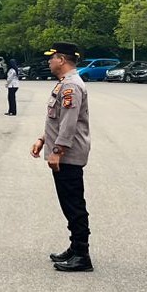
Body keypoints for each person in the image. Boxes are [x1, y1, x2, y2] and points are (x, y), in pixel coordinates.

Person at [32, 42, 93, 272]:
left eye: (51, 58)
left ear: (62, 60)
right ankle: (75, 247)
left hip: (69, 154)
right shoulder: (65, 84)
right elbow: (57, 121)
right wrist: (43, 139)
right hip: (64, 151)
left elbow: (69, 123)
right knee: (68, 202)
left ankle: (82, 254)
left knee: (74, 203)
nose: (49, 62)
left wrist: (57, 150)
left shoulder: (71, 86)